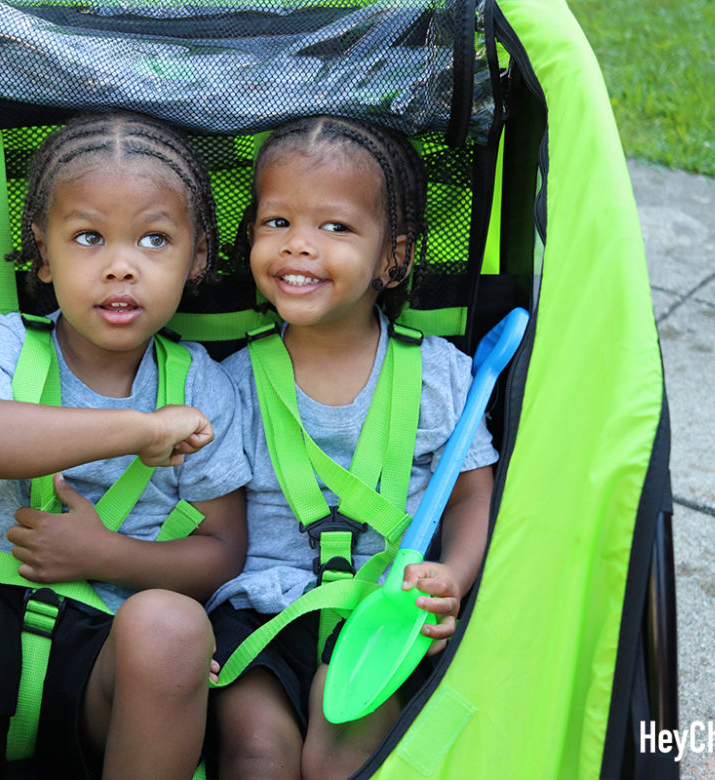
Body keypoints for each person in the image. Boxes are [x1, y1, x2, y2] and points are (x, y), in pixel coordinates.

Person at [0, 111, 250, 780]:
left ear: (198, 257)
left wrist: (105, 555)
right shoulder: (7, 342)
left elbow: (222, 554)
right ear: (43, 252)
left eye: (154, 240)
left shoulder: (203, 386)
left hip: (110, 668)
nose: (120, 267)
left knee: (177, 630)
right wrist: (140, 429)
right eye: (89, 237)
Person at [207, 115, 499, 780]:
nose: (298, 247)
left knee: (346, 751)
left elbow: (473, 492)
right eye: (276, 223)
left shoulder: (443, 376)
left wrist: (453, 573)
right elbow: (208, 519)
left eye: (334, 228)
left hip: (385, 618)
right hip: (262, 613)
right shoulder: (230, 384)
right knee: (257, 751)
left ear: (393, 256)